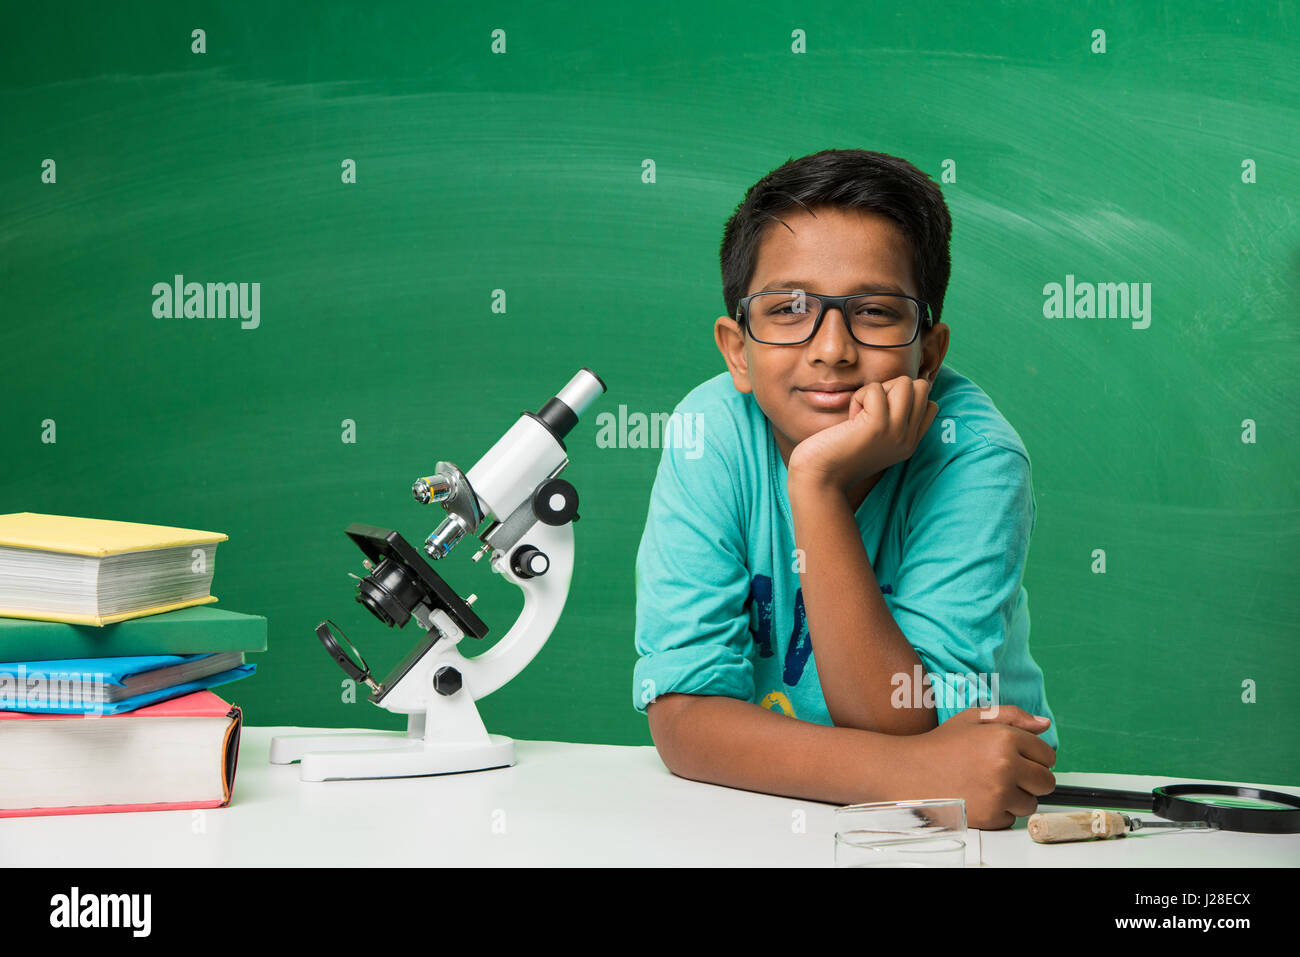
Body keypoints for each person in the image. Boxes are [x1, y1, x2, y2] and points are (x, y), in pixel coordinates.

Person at [631, 148, 1057, 829]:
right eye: (789, 308)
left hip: (955, 832)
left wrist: (815, 483)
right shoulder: (708, 432)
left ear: (931, 350)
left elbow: (899, 717)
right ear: (737, 350)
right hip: (763, 813)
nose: (832, 348)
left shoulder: (972, 455)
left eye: (877, 311)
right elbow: (683, 718)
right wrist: (918, 774)